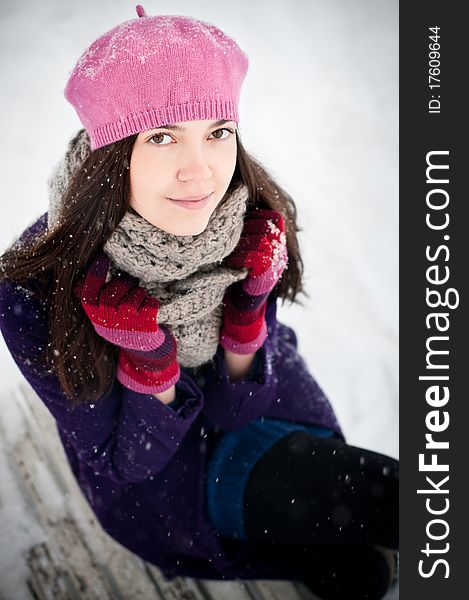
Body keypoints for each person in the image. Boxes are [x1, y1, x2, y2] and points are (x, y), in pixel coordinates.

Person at [0, 5, 398, 599]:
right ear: (110, 156)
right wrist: (151, 364)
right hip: (176, 482)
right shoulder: (37, 290)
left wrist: (245, 317)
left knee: (373, 505)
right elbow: (128, 463)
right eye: (163, 136)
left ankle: (318, 548)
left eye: (218, 133)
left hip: (266, 409)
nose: (201, 172)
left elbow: (238, 407)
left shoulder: (240, 215)